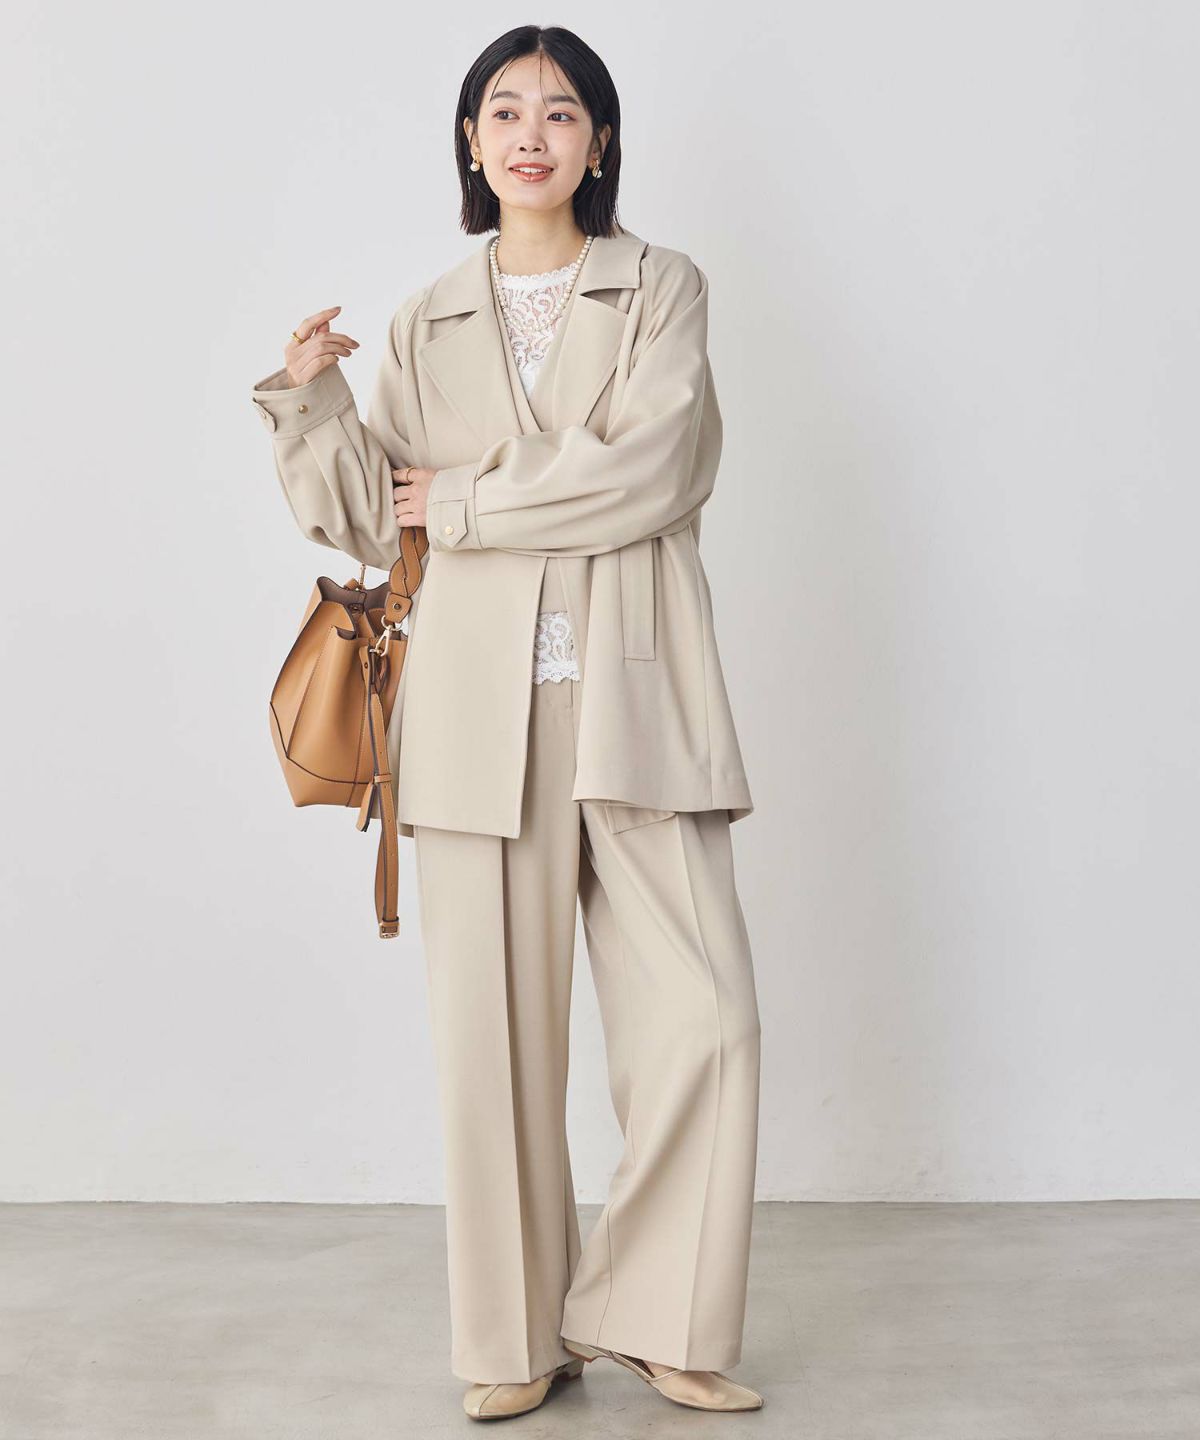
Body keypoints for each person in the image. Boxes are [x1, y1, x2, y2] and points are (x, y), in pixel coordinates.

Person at [249, 25, 764, 1421]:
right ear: (472, 144)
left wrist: (472, 498)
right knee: (493, 1049)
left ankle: (659, 1316)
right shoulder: (426, 318)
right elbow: (380, 521)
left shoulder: (662, 287)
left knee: (707, 1019)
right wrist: (313, 403)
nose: (532, 133)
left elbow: (653, 467)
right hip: (475, 716)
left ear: (602, 141)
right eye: (504, 111)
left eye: (562, 111)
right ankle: (514, 1341)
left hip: (638, 695)